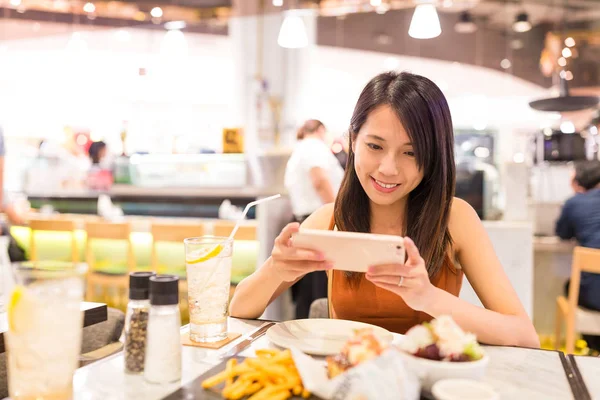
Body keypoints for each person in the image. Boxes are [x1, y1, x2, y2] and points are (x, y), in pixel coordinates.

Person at [230, 71, 539, 347]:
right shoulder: (329, 219)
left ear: (433, 157)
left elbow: (524, 335)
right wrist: (276, 269)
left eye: (411, 152)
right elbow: (240, 309)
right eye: (375, 146)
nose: (388, 168)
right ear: (353, 141)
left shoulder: (454, 219)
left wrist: (427, 297)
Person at [284, 119, 345, 318]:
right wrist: (339, 216)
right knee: (318, 290)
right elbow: (319, 181)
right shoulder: (314, 147)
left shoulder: (300, 149)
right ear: (320, 130)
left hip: (306, 221)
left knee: (307, 290)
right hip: (318, 223)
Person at [555, 160, 600, 351]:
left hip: (594, 297)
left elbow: (562, 233)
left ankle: (593, 346)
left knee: (571, 286)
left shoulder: (574, 203)